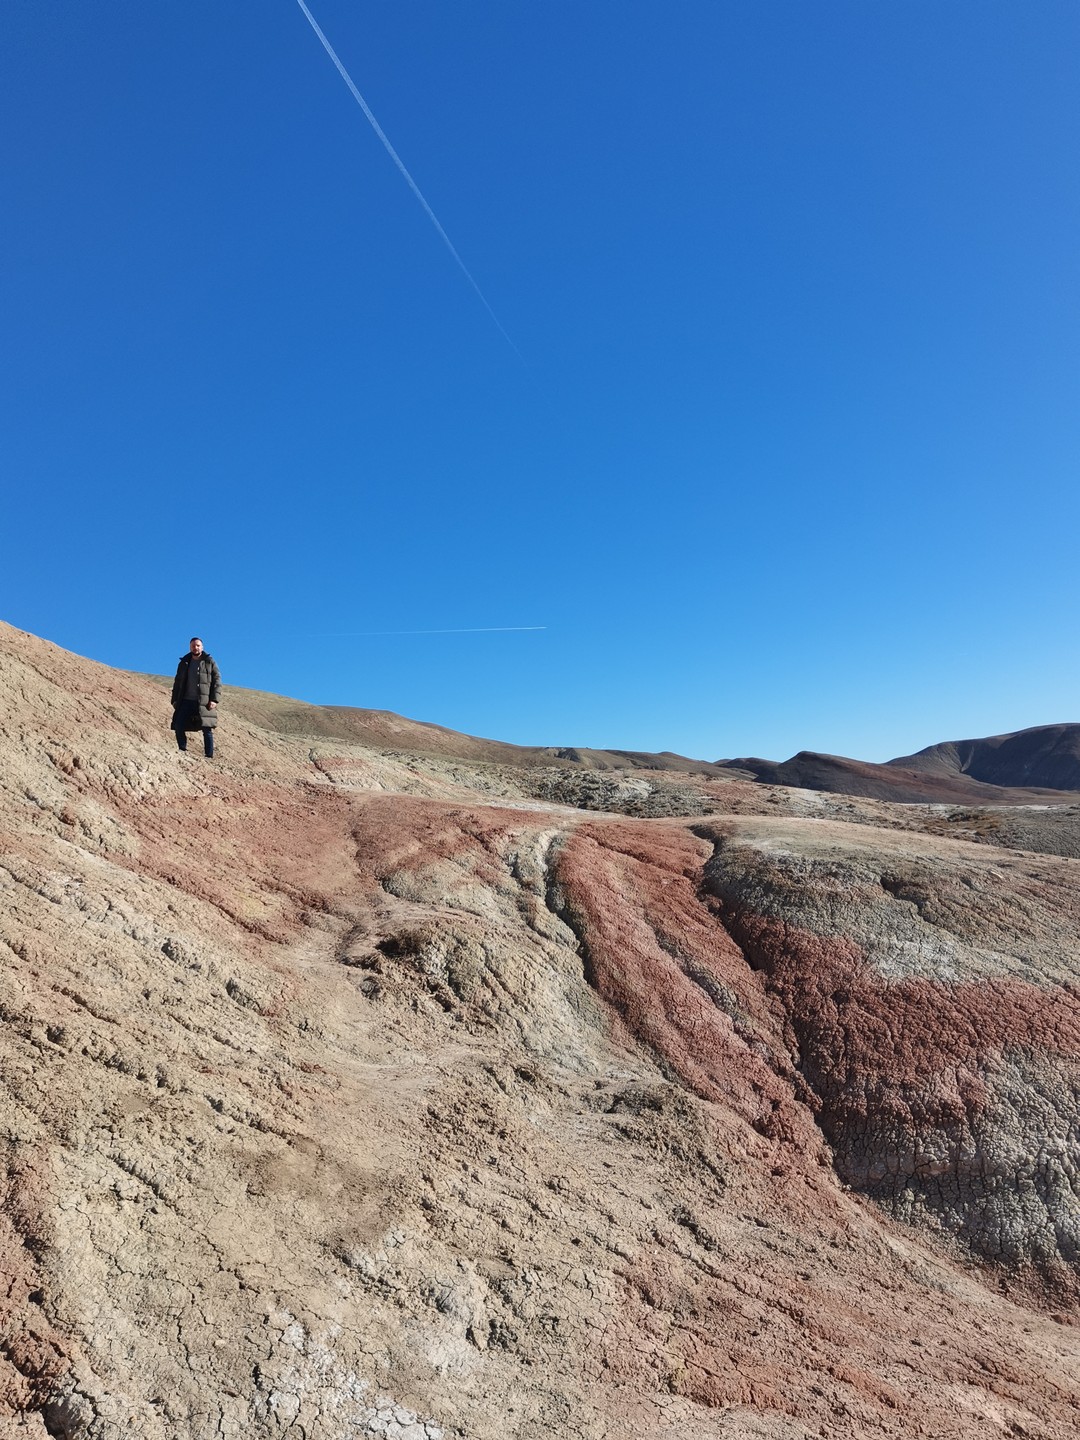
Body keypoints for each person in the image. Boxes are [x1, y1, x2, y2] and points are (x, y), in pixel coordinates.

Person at [170, 637, 221, 757]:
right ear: (190, 647)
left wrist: (214, 699)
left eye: (198, 645)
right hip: (186, 700)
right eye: (193, 645)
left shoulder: (209, 662)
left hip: (203, 701)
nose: (195, 647)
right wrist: (174, 700)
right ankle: (182, 750)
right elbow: (177, 682)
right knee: (179, 725)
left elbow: (217, 681)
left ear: (202, 647)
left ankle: (209, 755)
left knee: (206, 728)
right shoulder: (184, 662)